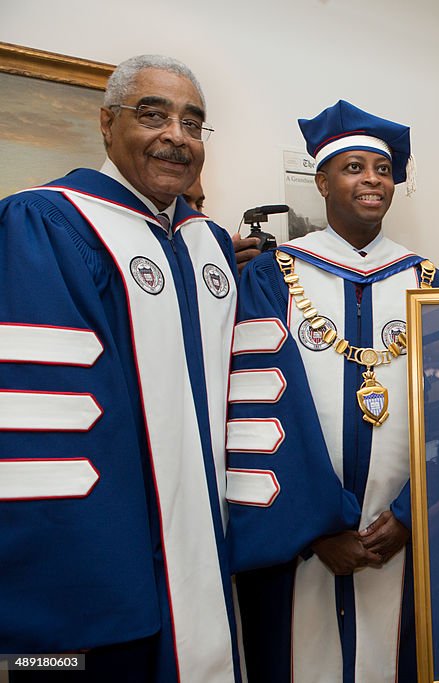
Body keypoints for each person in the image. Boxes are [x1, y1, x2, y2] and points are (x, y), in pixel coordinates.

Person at [0, 55, 241, 681]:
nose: (176, 136)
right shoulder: (47, 221)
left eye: (193, 124)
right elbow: (46, 415)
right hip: (107, 565)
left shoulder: (207, 242)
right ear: (108, 125)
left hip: (210, 551)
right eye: (153, 115)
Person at [227, 100, 439, 683]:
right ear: (322, 181)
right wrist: (318, 526)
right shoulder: (272, 277)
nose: (371, 180)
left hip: (400, 539)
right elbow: (258, 404)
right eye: (353, 168)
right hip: (301, 541)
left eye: (382, 169)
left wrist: (410, 517)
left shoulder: (430, 284)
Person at [183, 175, 262, 272]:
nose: (195, 212)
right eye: (183, 203)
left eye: (199, 205)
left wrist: (227, 265)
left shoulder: (218, 238)